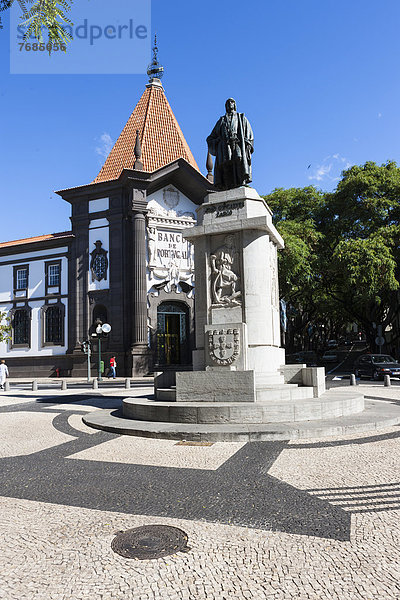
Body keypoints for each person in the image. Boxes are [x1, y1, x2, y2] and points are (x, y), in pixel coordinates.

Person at [207, 98, 254, 191]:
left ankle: (241, 182)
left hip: (237, 143)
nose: (230, 104)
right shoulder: (222, 120)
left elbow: (249, 134)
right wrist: (219, 140)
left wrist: (247, 143)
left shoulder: (241, 118)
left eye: (232, 102)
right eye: (228, 103)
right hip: (225, 146)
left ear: (235, 105)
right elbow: (210, 137)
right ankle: (227, 185)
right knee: (226, 164)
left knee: (239, 159)